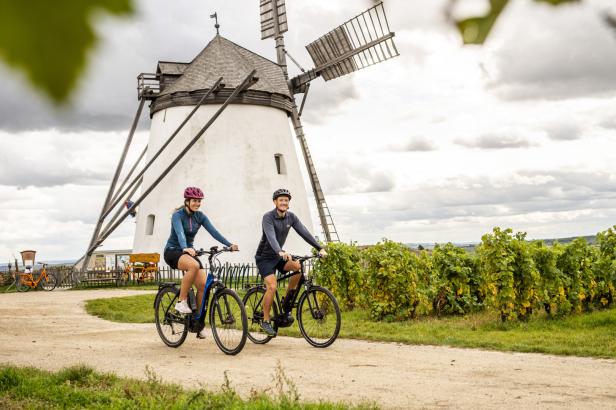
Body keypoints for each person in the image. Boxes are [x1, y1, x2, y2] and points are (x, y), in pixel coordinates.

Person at [163, 187, 238, 338]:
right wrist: (185, 247)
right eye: (194, 201)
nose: (197, 203)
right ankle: (181, 301)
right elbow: (180, 233)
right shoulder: (178, 215)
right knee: (194, 265)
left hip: (189, 252)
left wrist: (229, 244)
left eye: (199, 201)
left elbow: (214, 232)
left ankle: (197, 322)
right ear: (187, 201)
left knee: (203, 286)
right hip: (173, 250)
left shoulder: (200, 216)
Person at [255, 188, 327, 336]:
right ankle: (266, 320)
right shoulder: (268, 217)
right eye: (281, 200)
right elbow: (271, 237)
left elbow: (304, 232)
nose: (283, 202)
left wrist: (319, 248)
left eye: (286, 200)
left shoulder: (291, 217)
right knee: (272, 287)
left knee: (298, 267)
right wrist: (279, 251)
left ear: (288, 203)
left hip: (279, 255)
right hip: (265, 258)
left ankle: (287, 302)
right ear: (275, 202)